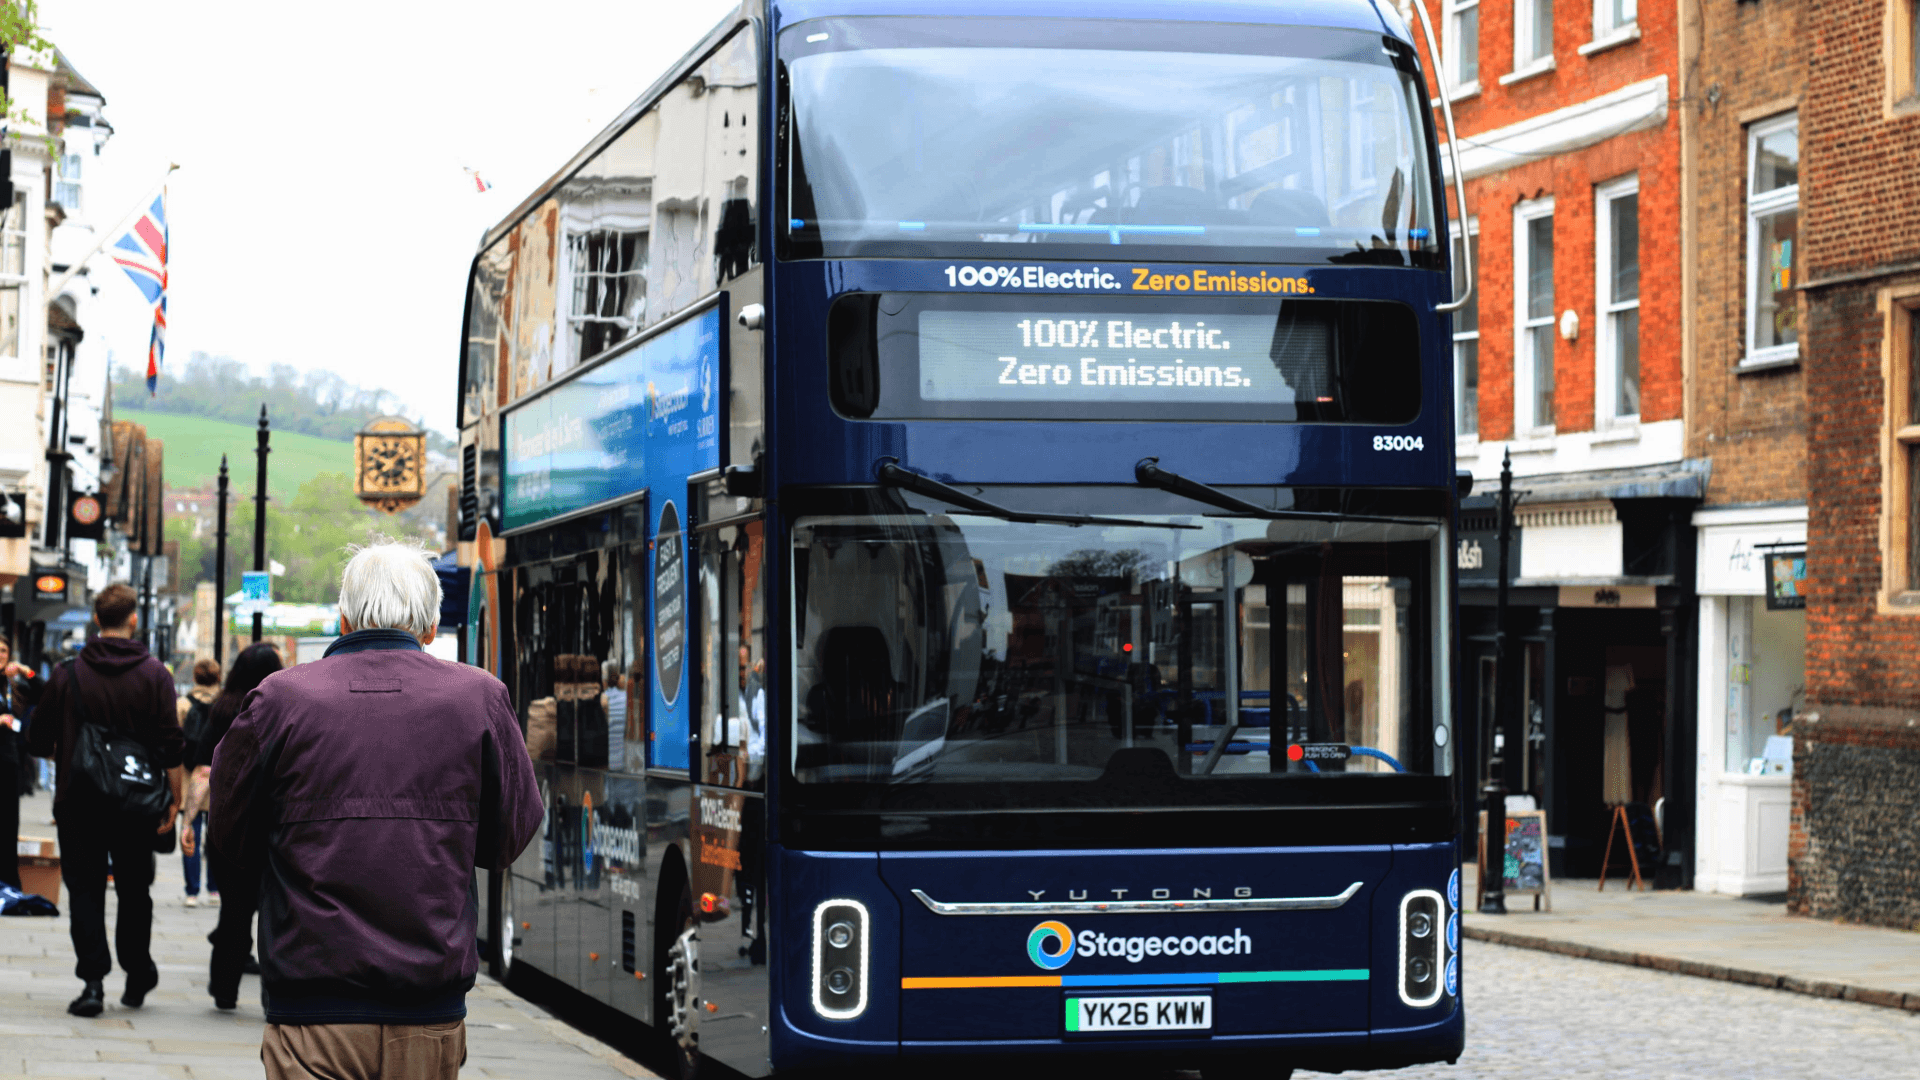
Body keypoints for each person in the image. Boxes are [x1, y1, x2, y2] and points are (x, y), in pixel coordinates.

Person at [211, 542, 540, 1079]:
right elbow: (507, 839)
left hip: (312, 1007)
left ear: (343, 619)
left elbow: (231, 831)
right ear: (431, 627)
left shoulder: (280, 699)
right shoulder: (479, 698)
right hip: (429, 1005)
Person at [25, 583, 185, 1018]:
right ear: (133, 619)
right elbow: (172, 742)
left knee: (85, 891)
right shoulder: (155, 674)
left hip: (79, 802)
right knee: (135, 890)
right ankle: (137, 972)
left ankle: (92, 981)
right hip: (136, 803)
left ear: (97, 620)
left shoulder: (68, 673)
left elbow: (38, 742)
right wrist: (176, 798)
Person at [200, 643, 282, 1004]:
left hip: (227, 822)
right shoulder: (279, 708)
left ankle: (224, 989)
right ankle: (272, 993)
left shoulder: (221, 708)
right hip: (269, 825)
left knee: (232, 910)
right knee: (273, 912)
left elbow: (203, 759)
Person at [0, 635, 46, 890]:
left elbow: (46, 690)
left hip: (9, 760)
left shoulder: (13, 686)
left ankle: (8, 881)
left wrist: (26, 671)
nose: (1, 655)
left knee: (8, 823)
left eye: (4, 650)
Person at [178, 658, 221, 907]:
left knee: (190, 832)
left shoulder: (182, 704)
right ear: (217, 678)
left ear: (194, 677)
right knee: (215, 835)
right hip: (216, 778)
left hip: (189, 778)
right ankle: (214, 889)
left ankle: (191, 892)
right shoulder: (225, 704)